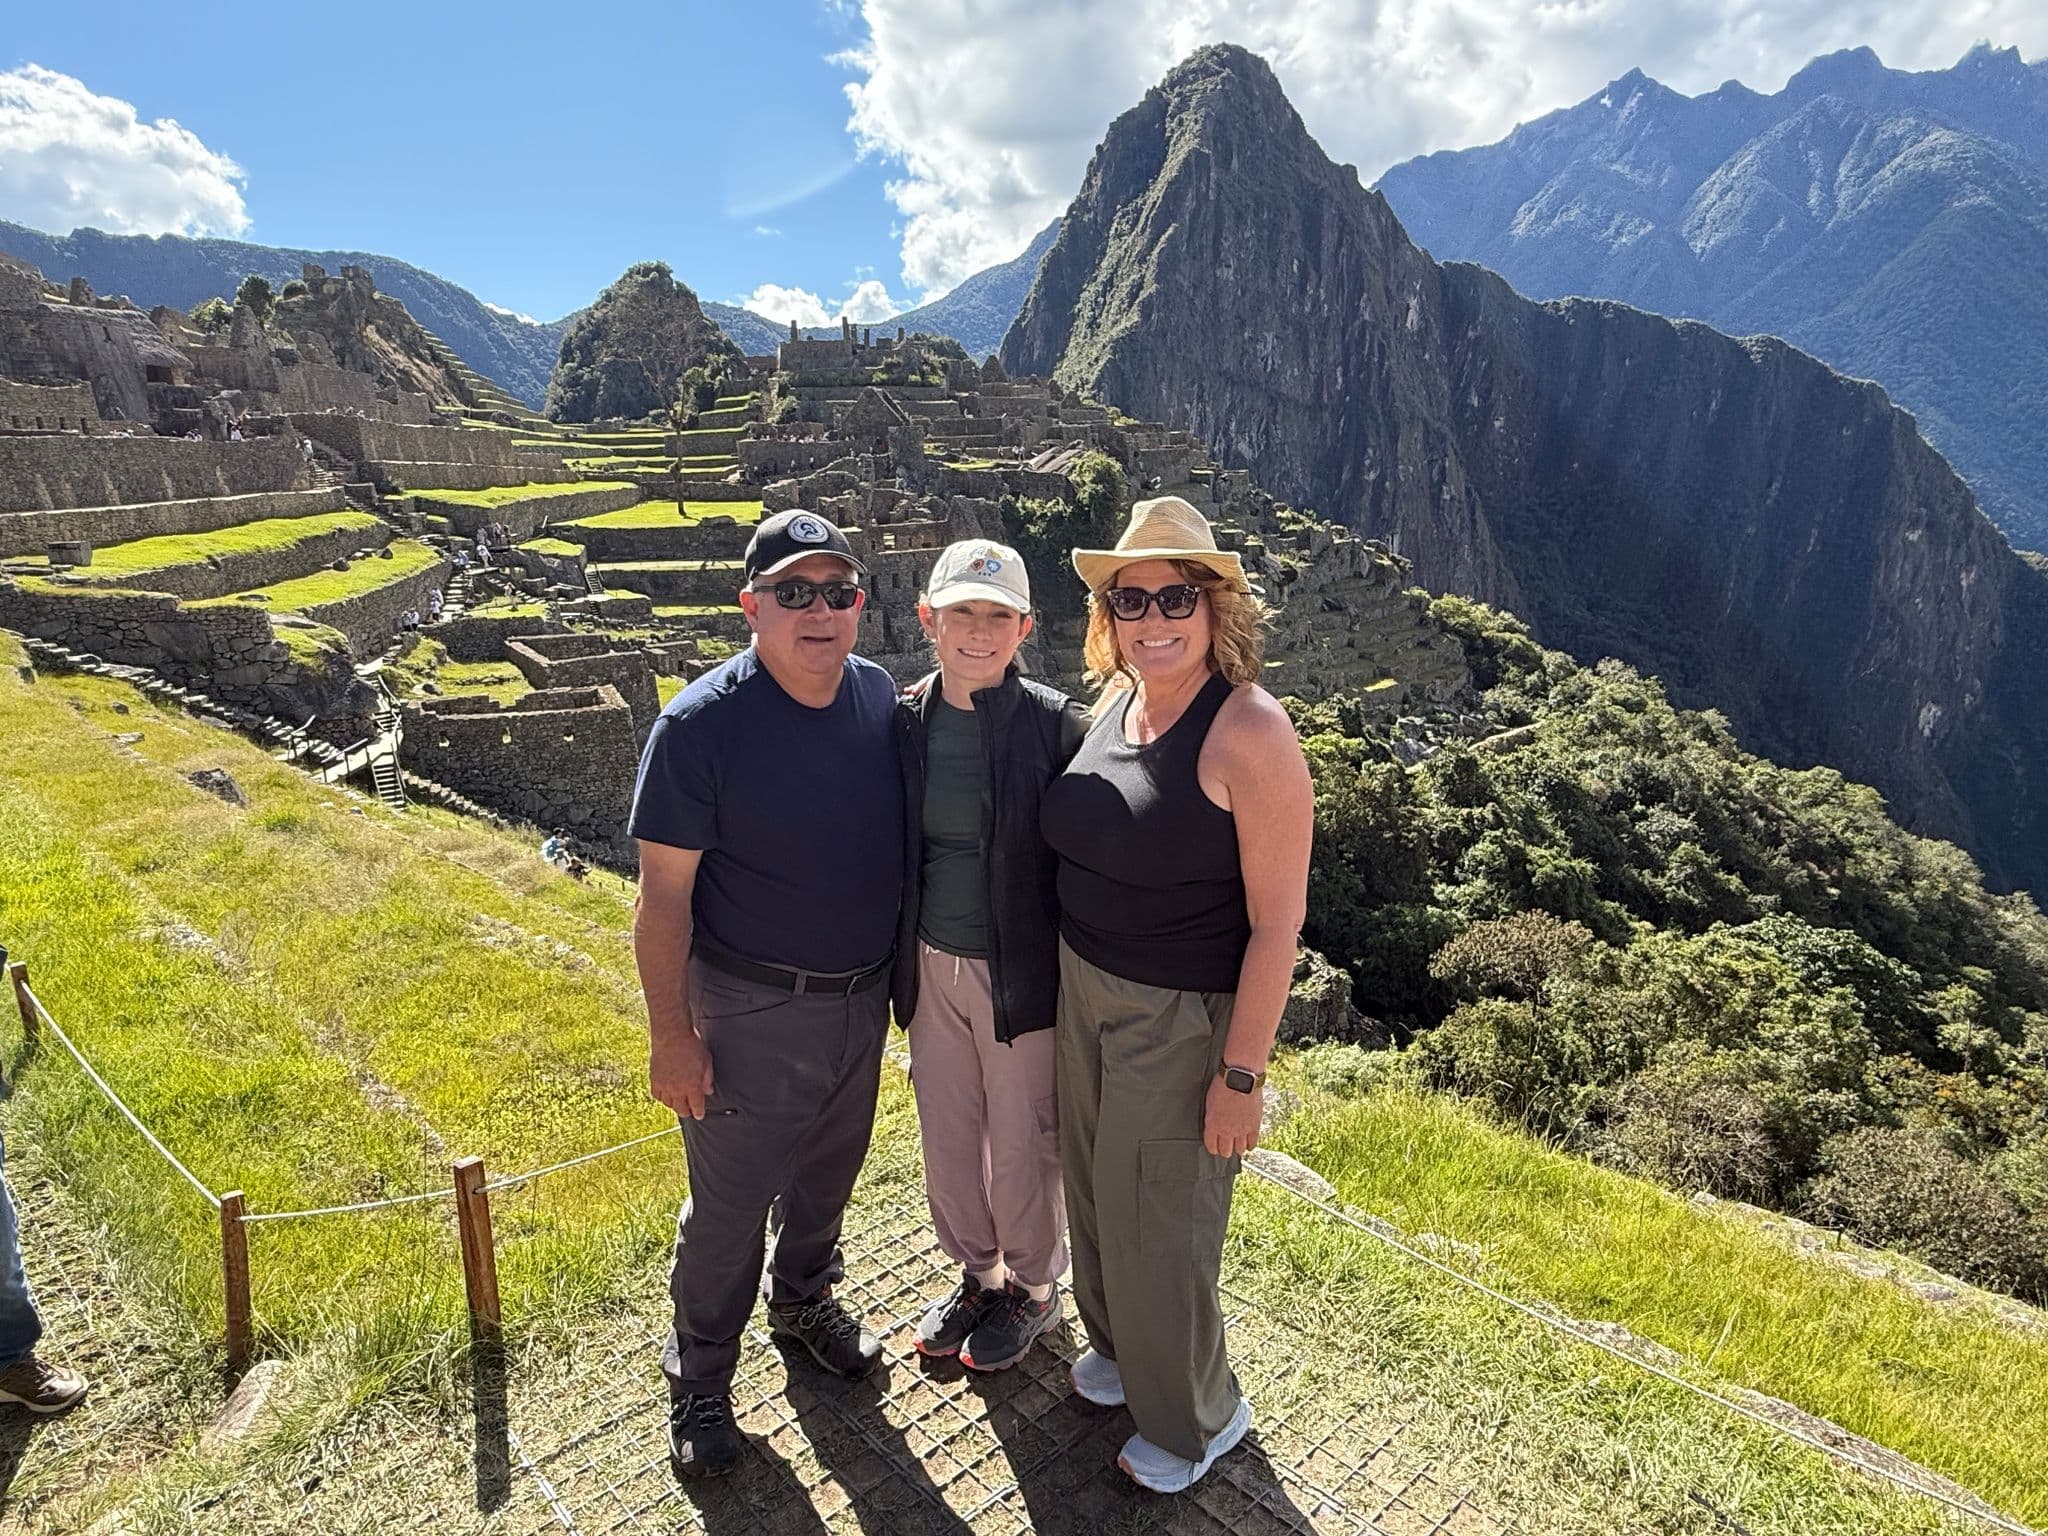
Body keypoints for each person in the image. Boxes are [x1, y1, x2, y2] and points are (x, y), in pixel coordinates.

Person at [1039, 495, 1314, 1493]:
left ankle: (1199, 1417)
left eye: (1172, 598)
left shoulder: (1247, 729)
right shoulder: (1118, 700)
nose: (1150, 619)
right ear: (1106, 617)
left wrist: (1240, 1074)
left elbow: (1277, 923)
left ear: (1214, 608)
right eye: (1128, 600)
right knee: (1096, 1193)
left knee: (1161, 1221)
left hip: (1178, 1013)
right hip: (1085, 988)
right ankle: (1120, 1355)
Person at [629, 508, 904, 1480]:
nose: (819, 610)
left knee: (827, 1178)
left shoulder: (874, 698)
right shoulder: (699, 727)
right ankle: (700, 1378)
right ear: (751, 606)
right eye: (794, 593)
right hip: (745, 1007)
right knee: (728, 1207)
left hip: (856, 1003)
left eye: (837, 591)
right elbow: (662, 899)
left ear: (859, 606)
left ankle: (802, 1305)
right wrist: (673, 1037)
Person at [892, 541, 1085, 1372]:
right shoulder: (903, 720)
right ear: (928, 619)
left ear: (1024, 629)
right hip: (931, 966)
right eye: (961, 612)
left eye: (997, 615)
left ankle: (1035, 1291)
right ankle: (979, 1273)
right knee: (948, 1136)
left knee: (1020, 1145)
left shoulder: (1056, 725)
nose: (978, 630)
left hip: (1020, 976)